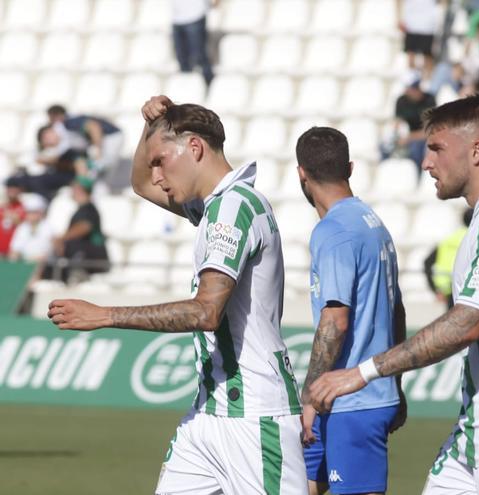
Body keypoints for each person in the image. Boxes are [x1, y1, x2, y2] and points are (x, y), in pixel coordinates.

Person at [309, 95, 479, 493]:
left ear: (478, 151)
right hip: (476, 430)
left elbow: (469, 322)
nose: (426, 162)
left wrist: (365, 372)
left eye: (436, 149)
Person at [46, 95, 308, 494]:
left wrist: (105, 315)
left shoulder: (234, 208)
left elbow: (206, 313)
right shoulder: (212, 208)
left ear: (195, 148)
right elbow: (139, 184)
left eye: (160, 161)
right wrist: (150, 129)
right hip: (208, 412)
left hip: (254, 416)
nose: (156, 175)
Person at [295, 127, 407, 495]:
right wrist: (397, 383)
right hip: (353, 398)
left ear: (301, 173)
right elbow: (397, 311)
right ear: (350, 168)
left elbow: (335, 321)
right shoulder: (371, 222)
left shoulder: (334, 231)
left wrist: (310, 394)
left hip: (352, 403)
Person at [48, 176, 109, 282]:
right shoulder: (81, 209)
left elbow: (84, 227)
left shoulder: (90, 209)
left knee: (75, 245)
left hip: (92, 256)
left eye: (74, 188)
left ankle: (78, 273)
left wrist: (62, 239)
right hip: (82, 254)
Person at [47, 104, 124, 175]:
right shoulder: (69, 122)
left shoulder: (69, 122)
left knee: (101, 167)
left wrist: (97, 149)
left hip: (111, 137)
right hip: (108, 138)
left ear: (55, 116)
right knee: (98, 170)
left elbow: (94, 127)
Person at [423, 208, 473, 309]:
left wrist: (435, 289)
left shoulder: (449, 238)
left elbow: (427, 262)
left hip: (446, 288)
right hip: (465, 287)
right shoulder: (475, 237)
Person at [389, 72, 437, 171]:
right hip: (409, 137)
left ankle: (418, 174)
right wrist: (398, 136)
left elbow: (429, 131)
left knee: (416, 148)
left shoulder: (429, 100)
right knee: (385, 147)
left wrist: (409, 138)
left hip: (423, 139)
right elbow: (397, 124)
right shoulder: (401, 101)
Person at [171, 0, 216, 86]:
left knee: (200, 56)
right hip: (177, 18)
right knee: (182, 59)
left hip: (195, 15)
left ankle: (210, 85)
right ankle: (188, 88)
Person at [8, 193, 52, 263]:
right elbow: (15, 249)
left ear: (41, 213)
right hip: (24, 264)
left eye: (34, 212)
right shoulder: (22, 227)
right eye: (28, 212)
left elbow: (48, 253)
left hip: (44, 265)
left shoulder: (49, 227)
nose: (30, 215)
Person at [399, 0, 439, 73]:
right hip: (411, 25)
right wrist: (399, 18)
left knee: (428, 58)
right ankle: (412, 81)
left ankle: (427, 81)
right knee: (411, 57)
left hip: (428, 26)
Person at [0, 178, 26, 257]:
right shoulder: (2, 207)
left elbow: (22, 224)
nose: (12, 190)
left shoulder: (24, 207)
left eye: (15, 187)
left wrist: (11, 215)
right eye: (9, 187)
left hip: (14, 252)